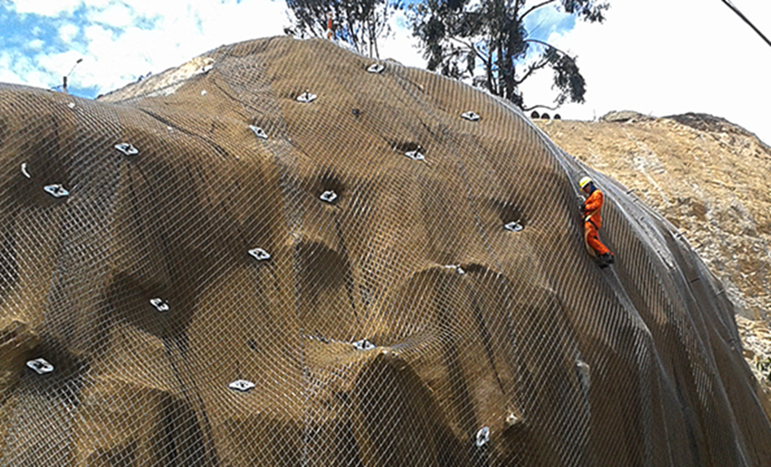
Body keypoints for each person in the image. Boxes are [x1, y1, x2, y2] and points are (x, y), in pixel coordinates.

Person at [579, 176, 615, 267]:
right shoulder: (592, 196)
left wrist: (586, 207)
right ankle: (603, 256)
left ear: (589, 185)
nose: (585, 191)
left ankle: (606, 254)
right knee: (594, 239)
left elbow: (596, 205)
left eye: (584, 188)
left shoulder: (597, 194)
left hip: (592, 220)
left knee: (590, 238)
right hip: (591, 220)